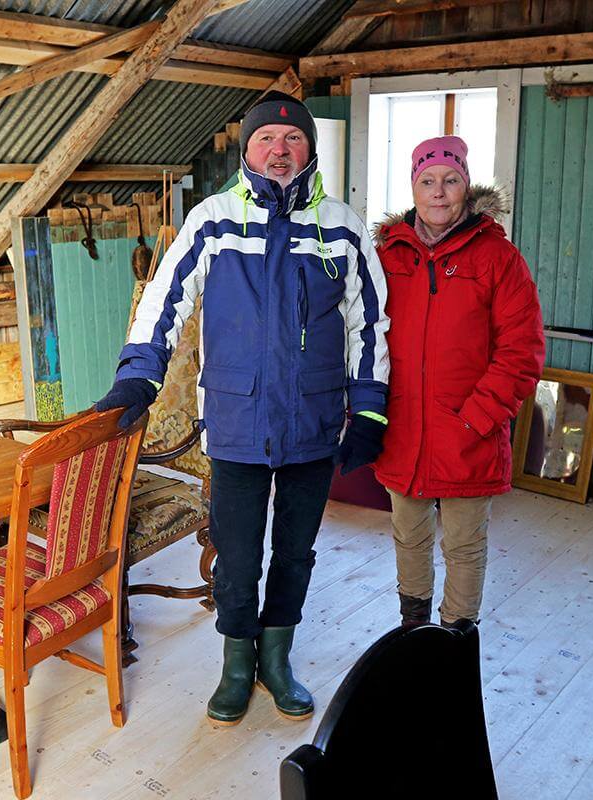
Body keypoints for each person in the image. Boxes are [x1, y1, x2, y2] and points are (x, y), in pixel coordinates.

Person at [95, 91, 390, 725]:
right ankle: (236, 664)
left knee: (295, 551)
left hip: (312, 422)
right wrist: (139, 377)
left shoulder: (341, 225)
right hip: (236, 420)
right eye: (266, 140)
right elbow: (164, 299)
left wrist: (367, 409)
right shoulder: (215, 217)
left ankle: (276, 659)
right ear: (248, 149)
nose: (279, 151)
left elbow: (369, 322)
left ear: (308, 149)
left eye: (292, 140)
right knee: (236, 553)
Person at [372, 135, 544, 631]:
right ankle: (413, 629)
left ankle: (455, 639)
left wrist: (479, 418)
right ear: (414, 188)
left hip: (469, 430)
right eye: (428, 181)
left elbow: (522, 350)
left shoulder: (497, 258)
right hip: (403, 426)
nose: (439, 192)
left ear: (466, 188)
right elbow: (363, 333)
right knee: (409, 534)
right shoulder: (389, 257)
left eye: (450, 181)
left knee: (464, 543)